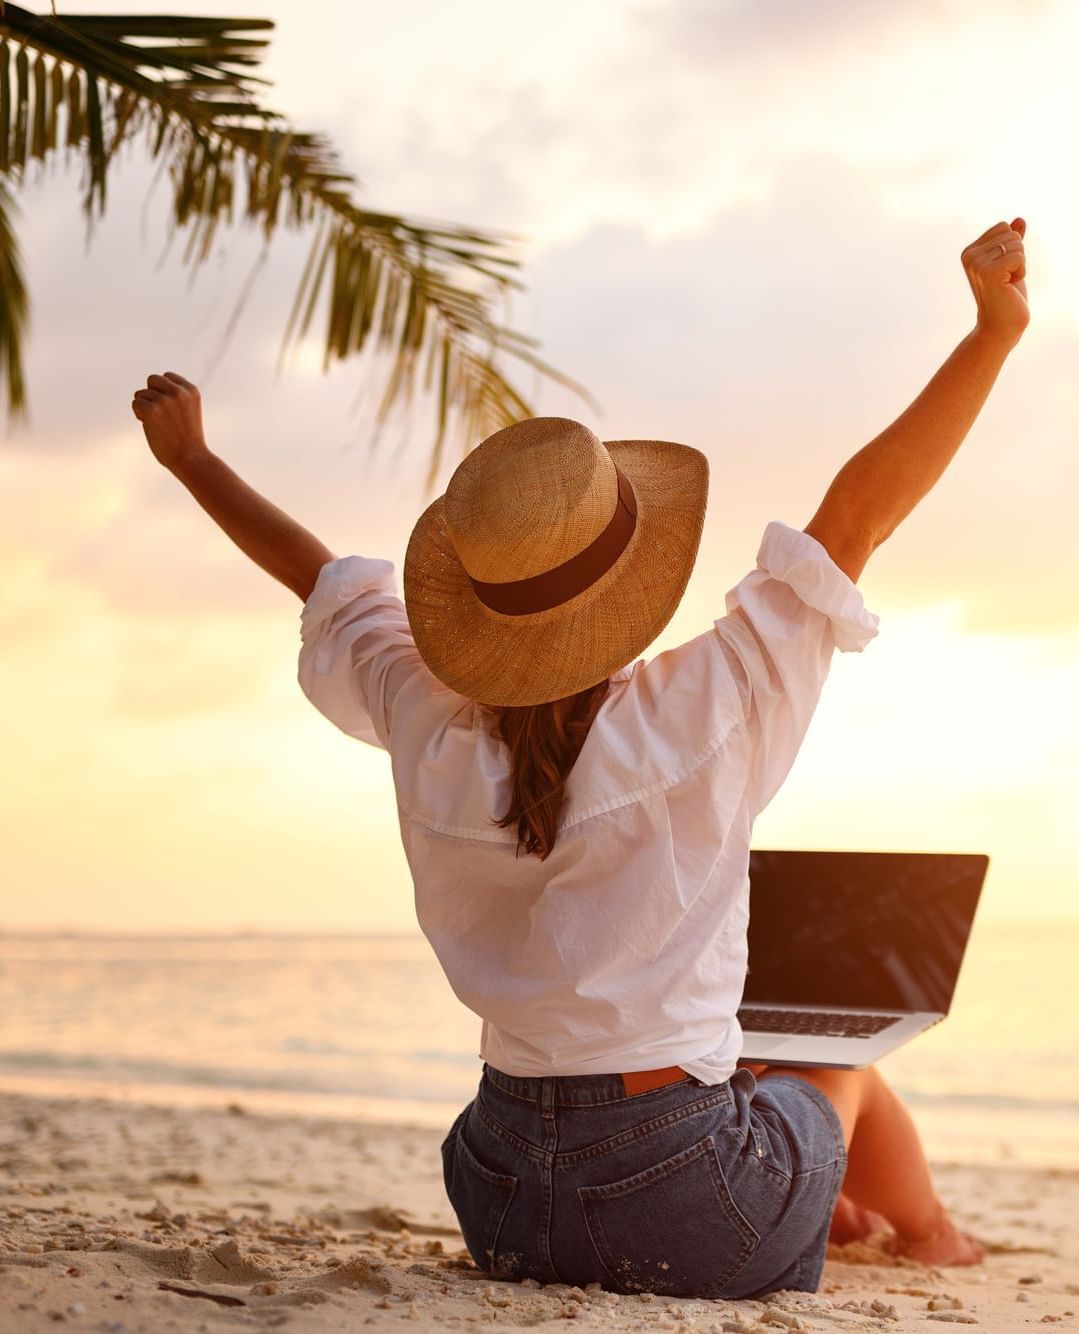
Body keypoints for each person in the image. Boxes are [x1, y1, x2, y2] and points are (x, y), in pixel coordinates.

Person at [130, 216, 1029, 1298]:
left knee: (749, 1097)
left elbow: (319, 577)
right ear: (628, 597)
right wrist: (994, 331)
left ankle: (802, 1204)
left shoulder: (426, 712)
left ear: (479, 614)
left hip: (502, 1190)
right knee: (837, 1071)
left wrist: (192, 461)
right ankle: (934, 1241)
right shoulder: (714, 697)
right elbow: (858, 515)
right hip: (675, 1191)